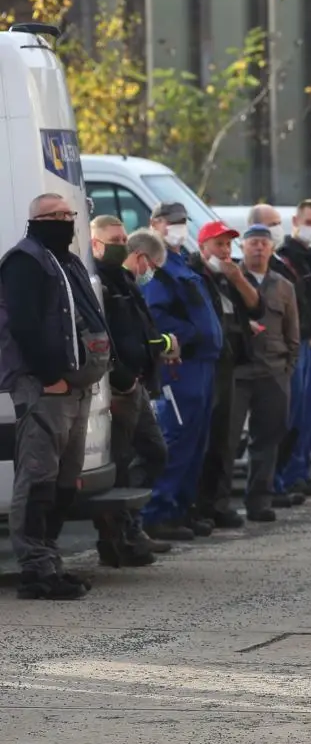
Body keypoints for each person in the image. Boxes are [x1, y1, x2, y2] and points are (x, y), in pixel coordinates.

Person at [0, 194, 112, 599]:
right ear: (39, 220)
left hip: (76, 388)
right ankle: (35, 570)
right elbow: (24, 326)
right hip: (45, 388)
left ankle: (50, 559)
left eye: (70, 215)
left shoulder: (66, 259)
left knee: (66, 484)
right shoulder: (25, 261)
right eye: (59, 216)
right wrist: (49, 377)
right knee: (39, 481)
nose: (68, 221)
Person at [88, 219, 176, 567]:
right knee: (121, 463)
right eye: (114, 240)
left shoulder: (124, 281)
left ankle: (129, 525)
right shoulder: (97, 284)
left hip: (135, 384)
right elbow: (103, 336)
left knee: (154, 453)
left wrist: (159, 347)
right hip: (120, 388)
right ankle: (118, 538)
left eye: (124, 239)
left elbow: (140, 331)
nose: (121, 245)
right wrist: (121, 379)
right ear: (95, 244)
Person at [140, 200, 223, 541]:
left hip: (201, 364)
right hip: (180, 364)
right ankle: (158, 512)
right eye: (170, 222)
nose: (177, 227)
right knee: (177, 439)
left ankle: (179, 509)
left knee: (195, 440)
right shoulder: (157, 268)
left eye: (181, 221)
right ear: (155, 224)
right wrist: (190, 333)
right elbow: (156, 315)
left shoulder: (180, 263)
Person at [249, 201, 311, 496]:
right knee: (287, 418)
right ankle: (280, 478)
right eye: (270, 223)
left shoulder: (299, 260)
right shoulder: (278, 261)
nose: (276, 229)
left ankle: (297, 471)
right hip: (287, 351)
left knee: (309, 414)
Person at [191, 220, 262, 530]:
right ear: (203, 246)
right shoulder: (194, 274)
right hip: (205, 365)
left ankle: (217, 503)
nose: (225, 251)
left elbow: (257, 307)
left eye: (228, 245)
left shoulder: (229, 276)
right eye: (219, 244)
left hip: (231, 364)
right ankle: (197, 504)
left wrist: (238, 278)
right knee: (204, 438)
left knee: (225, 437)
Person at [233, 224, 299, 522]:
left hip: (273, 371)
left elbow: (292, 333)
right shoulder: (229, 279)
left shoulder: (284, 286)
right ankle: (218, 502)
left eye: (264, 243)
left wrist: (287, 368)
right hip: (238, 372)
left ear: (271, 248)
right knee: (227, 437)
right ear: (243, 248)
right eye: (253, 243)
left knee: (268, 438)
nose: (258, 248)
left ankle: (259, 500)